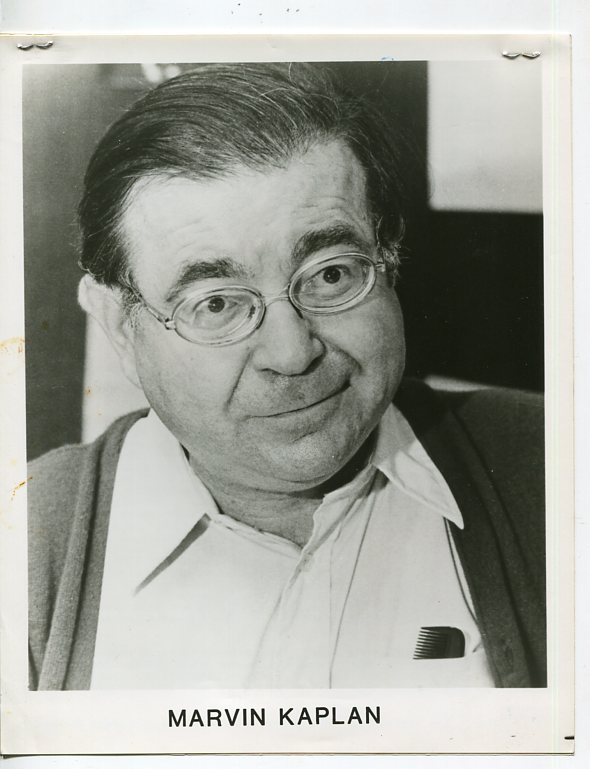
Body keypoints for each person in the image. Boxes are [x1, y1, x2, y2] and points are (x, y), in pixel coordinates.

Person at [27, 63, 546, 690]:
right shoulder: (24, 542)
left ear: (389, 261)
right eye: (217, 303)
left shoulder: (554, 467)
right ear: (119, 326)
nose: (293, 352)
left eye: (330, 274)